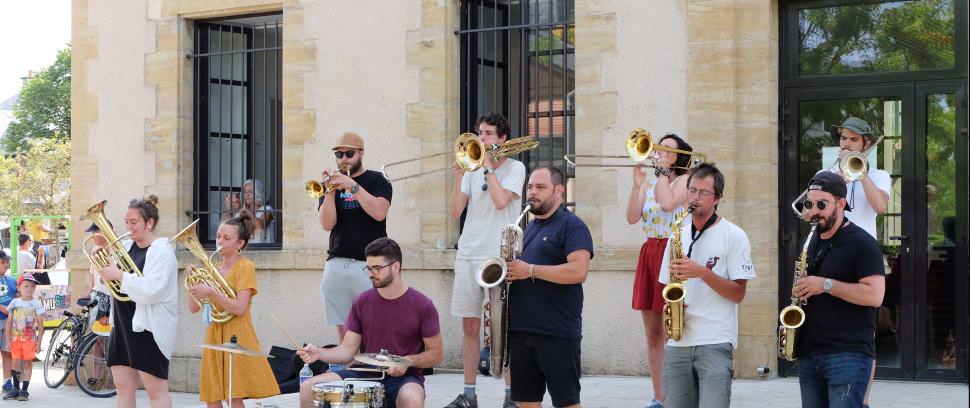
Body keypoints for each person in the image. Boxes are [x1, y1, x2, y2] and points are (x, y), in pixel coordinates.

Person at [298, 237, 443, 408]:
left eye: (377, 268)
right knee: (308, 387)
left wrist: (407, 361)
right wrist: (319, 354)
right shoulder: (362, 302)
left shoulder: (422, 305)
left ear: (395, 267)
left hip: (405, 378)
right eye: (368, 268)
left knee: (412, 398)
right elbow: (347, 350)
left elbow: (436, 354)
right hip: (364, 373)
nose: (370, 274)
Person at [445, 113, 526, 408]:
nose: (482, 139)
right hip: (469, 251)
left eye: (489, 134)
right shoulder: (471, 169)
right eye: (480, 133)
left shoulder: (516, 167)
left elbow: (502, 201)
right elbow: (455, 212)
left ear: (503, 138)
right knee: (469, 326)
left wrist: (488, 168)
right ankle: (469, 393)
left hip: (499, 253)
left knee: (504, 328)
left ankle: (510, 396)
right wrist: (458, 179)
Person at [658, 163, 756, 408]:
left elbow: (738, 293)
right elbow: (665, 289)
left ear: (718, 199)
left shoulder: (734, 235)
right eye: (692, 191)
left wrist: (702, 273)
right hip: (678, 342)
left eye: (703, 193)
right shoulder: (677, 235)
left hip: (715, 339)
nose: (695, 198)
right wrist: (670, 315)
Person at [793, 171, 886, 408]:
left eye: (821, 205)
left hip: (847, 354)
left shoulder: (862, 243)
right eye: (809, 204)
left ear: (841, 203)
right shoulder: (811, 241)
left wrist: (825, 285)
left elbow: (875, 296)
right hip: (810, 353)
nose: (813, 212)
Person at [503, 166, 594, 408]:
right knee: (527, 402)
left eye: (541, 187)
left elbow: (578, 271)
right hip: (522, 332)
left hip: (556, 334)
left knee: (566, 403)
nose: (533, 192)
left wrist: (529, 270)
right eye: (530, 187)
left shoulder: (572, 226)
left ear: (559, 191)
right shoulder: (529, 227)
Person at [625, 133, 693, 408]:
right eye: (658, 150)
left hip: (673, 252)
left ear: (678, 156)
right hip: (649, 253)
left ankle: (678, 396)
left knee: (671, 331)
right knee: (652, 332)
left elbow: (667, 204)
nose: (659, 154)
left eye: (666, 150)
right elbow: (631, 217)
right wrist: (636, 185)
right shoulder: (651, 181)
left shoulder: (685, 180)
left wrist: (663, 174)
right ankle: (659, 397)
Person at [829, 117, 891, 408]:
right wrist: (836, 178)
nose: (846, 144)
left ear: (865, 144)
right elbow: (811, 211)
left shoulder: (879, 175)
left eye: (853, 140)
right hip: (830, 253)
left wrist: (860, 172)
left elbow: (879, 206)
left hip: (862, 258)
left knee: (864, 332)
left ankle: (863, 400)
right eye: (843, 139)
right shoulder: (827, 173)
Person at [190, 210, 280, 407]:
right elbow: (193, 309)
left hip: (237, 333)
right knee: (211, 395)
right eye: (218, 236)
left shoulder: (245, 267)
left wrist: (212, 292)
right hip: (214, 333)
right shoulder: (212, 268)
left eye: (226, 238)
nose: (219, 241)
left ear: (240, 244)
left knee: (233, 394)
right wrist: (192, 284)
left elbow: (240, 308)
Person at [97, 195, 179, 408]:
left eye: (133, 222)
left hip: (149, 328)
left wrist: (119, 275)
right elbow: (112, 285)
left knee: (156, 391)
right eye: (127, 222)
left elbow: (153, 290)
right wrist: (105, 268)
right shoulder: (126, 246)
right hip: (123, 324)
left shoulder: (163, 251)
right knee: (122, 389)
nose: (128, 227)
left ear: (149, 223)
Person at [318, 132, 393, 343]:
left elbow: (379, 213)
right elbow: (326, 224)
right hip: (337, 261)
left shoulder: (377, 180)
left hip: (369, 264)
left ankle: (374, 371)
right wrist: (330, 192)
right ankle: (350, 369)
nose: (343, 159)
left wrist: (352, 185)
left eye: (349, 153)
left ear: (361, 153)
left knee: (374, 324)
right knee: (344, 329)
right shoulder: (331, 186)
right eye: (339, 154)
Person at [2, 274, 46, 401]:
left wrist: (39, 342)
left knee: (27, 364)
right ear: (19, 287)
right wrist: (8, 339)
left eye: (32, 286)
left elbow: (40, 325)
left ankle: (24, 390)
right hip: (15, 340)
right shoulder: (14, 303)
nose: (29, 289)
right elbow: (9, 322)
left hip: (29, 341)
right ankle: (15, 389)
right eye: (26, 286)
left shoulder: (36, 304)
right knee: (15, 363)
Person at [223, 178, 276, 244]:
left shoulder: (267, 209)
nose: (247, 195)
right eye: (245, 192)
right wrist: (229, 208)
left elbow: (261, 225)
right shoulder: (243, 210)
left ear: (258, 192)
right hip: (246, 251)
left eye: (250, 191)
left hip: (263, 250)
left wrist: (245, 211)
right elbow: (228, 227)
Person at [0, 252, 17, 394]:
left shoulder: (12, 280)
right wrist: (2, 308)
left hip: (8, 322)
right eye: (3, 262)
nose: (6, 264)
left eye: (7, 262)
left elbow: (17, 295)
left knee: (7, 352)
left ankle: (7, 381)